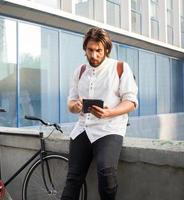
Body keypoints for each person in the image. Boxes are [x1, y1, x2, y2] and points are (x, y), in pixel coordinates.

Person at [61, 27, 138, 200]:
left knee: (106, 171)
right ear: (85, 49)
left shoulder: (120, 67)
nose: (94, 55)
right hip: (83, 129)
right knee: (73, 179)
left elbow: (131, 102)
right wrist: (76, 106)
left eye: (98, 51)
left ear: (106, 50)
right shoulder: (79, 71)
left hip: (109, 129)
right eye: (90, 50)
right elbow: (70, 102)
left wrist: (109, 112)